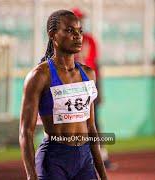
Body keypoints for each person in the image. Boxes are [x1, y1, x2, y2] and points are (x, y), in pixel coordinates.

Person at [19, 10, 108, 180]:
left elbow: (91, 128)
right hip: (54, 159)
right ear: (53, 35)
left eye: (79, 31)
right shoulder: (39, 76)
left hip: (84, 160)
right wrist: (31, 176)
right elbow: (26, 132)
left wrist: (103, 174)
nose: (77, 36)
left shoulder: (88, 74)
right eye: (69, 30)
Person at [72, 7, 117, 170]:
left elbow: (95, 67)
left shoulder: (90, 40)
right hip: (72, 89)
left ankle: (102, 157)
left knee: (94, 124)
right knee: (72, 125)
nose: (79, 22)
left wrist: (99, 90)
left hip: (89, 87)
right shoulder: (65, 41)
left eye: (80, 19)